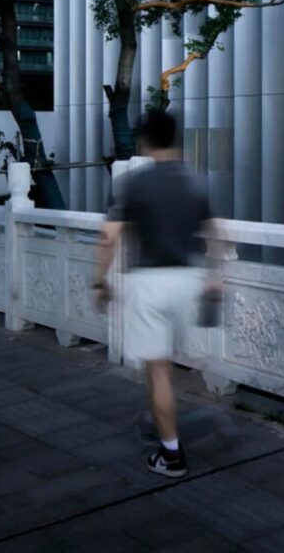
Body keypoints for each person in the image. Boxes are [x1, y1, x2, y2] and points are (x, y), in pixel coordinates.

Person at [93, 109, 221, 478]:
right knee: (165, 364)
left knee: (158, 372)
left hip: (148, 282)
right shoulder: (195, 181)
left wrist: (99, 281)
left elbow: (109, 237)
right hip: (187, 279)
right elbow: (215, 232)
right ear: (175, 137)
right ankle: (161, 416)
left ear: (145, 140)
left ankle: (170, 454)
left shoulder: (134, 182)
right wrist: (215, 275)